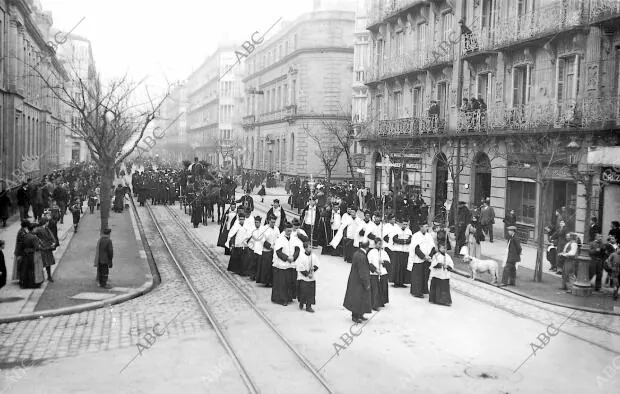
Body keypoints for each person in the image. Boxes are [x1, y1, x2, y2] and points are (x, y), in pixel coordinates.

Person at [272, 222, 301, 306]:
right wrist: (286, 258)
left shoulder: (294, 238)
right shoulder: (280, 239)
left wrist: (293, 257)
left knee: (290, 281)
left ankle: (289, 297)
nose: (289, 233)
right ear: (284, 230)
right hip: (282, 264)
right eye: (288, 231)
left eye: (290, 231)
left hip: (291, 263)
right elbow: (278, 252)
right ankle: (282, 299)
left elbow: (297, 249)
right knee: (283, 283)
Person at [343, 239, 372, 323]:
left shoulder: (357, 253)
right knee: (358, 298)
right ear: (367, 247)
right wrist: (366, 283)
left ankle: (360, 314)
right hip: (359, 281)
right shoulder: (362, 256)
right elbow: (362, 271)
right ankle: (355, 316)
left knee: (360, 298)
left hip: (355, 279)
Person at [408, 223, 436, 298]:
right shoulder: (415, 236)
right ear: (421, 227)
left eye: (427, 227)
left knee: (425, 275)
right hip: (419, 258)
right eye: (425, 226)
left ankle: (424, 289)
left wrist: (430, 255)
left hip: (427, 259)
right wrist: (423, 257)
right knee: (418, 276)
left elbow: (433, 247)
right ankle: (416, 292)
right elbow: (415, 248)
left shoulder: (429, 235)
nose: (427, 228)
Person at [296, 241, 319, 313]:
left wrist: (314, 268)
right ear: (305, 248)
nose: (311, 248)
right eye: (309, 247)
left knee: (310, 292)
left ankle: (308, 306)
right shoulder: (301, 256)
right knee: (303, 292)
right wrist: (307, 274)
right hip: (304, 278)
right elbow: (300, 267)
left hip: (311, 278)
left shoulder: (313, 256)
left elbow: (317, 264)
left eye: (311, 247)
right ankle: (302, 302)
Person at [257, 215, 279, 287]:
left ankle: (272, 281)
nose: (273, 224)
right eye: (272, 222)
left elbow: (278, 238)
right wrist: (269, 246)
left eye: (274, 222)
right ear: (268, 221)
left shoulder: (276, 229)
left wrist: (276, 245)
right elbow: (262, 240)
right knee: (266, 266)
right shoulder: (264, 229)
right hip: (267, 249)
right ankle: (265, 281)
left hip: (274, 250)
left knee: (273, 267)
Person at [368, 239, 390, 311]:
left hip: (383, 272)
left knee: (383, 287)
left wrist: (383, 262)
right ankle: (374, 304)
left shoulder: (384, 252)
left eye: (381, 244)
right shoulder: (371, 252)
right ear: (375, 244)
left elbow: (388, 263)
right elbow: (369, 263)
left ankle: (381, 302)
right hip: (374, 273)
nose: (380, 246)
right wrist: (375, 270)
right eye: (378, 244)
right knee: (375, 289)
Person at [32, 218, 57, 282]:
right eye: (47, 222)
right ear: (45, 222)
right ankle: (44, 277)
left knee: (47, 263)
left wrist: (53, 242)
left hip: (47, 247)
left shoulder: (46, 228)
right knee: (44, 263)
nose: (48, 223)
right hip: (43, 248)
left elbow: (51, 236)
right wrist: (39, 241)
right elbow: (33, 234)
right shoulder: (39, 229)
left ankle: (48, 276)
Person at [390, 218, 412, 287]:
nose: (404, 226)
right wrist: (404, 241)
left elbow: (410, 240)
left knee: (403, 266)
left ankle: (402, 282)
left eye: (406, 224)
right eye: (403, 224)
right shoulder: (396, 230)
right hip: (397, 250)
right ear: (401, 224)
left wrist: (402, 240)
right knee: (397, 267)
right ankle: (396, 282)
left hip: (405, 251)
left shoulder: (409, 231)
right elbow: (395, 239)